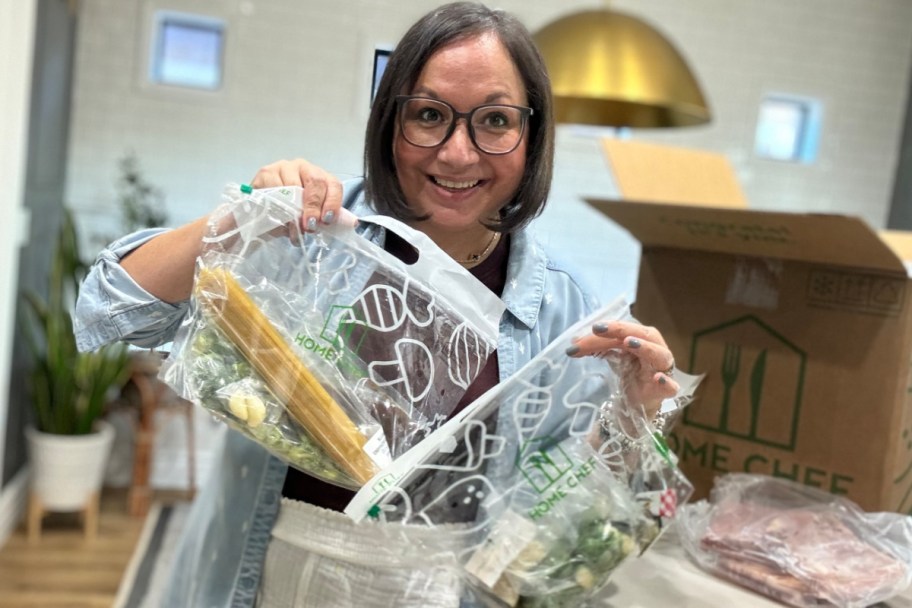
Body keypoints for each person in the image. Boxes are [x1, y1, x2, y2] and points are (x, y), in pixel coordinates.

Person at [74, 2, 680, 606]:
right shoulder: (313, 237)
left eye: (495, 120)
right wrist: (243, 217)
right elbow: (110, 307)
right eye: (429, 114)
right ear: (390, 122)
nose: (457, 153)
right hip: (262, 577)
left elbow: (555, 521)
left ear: (532, 136)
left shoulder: (564, 309)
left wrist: (631, 413)